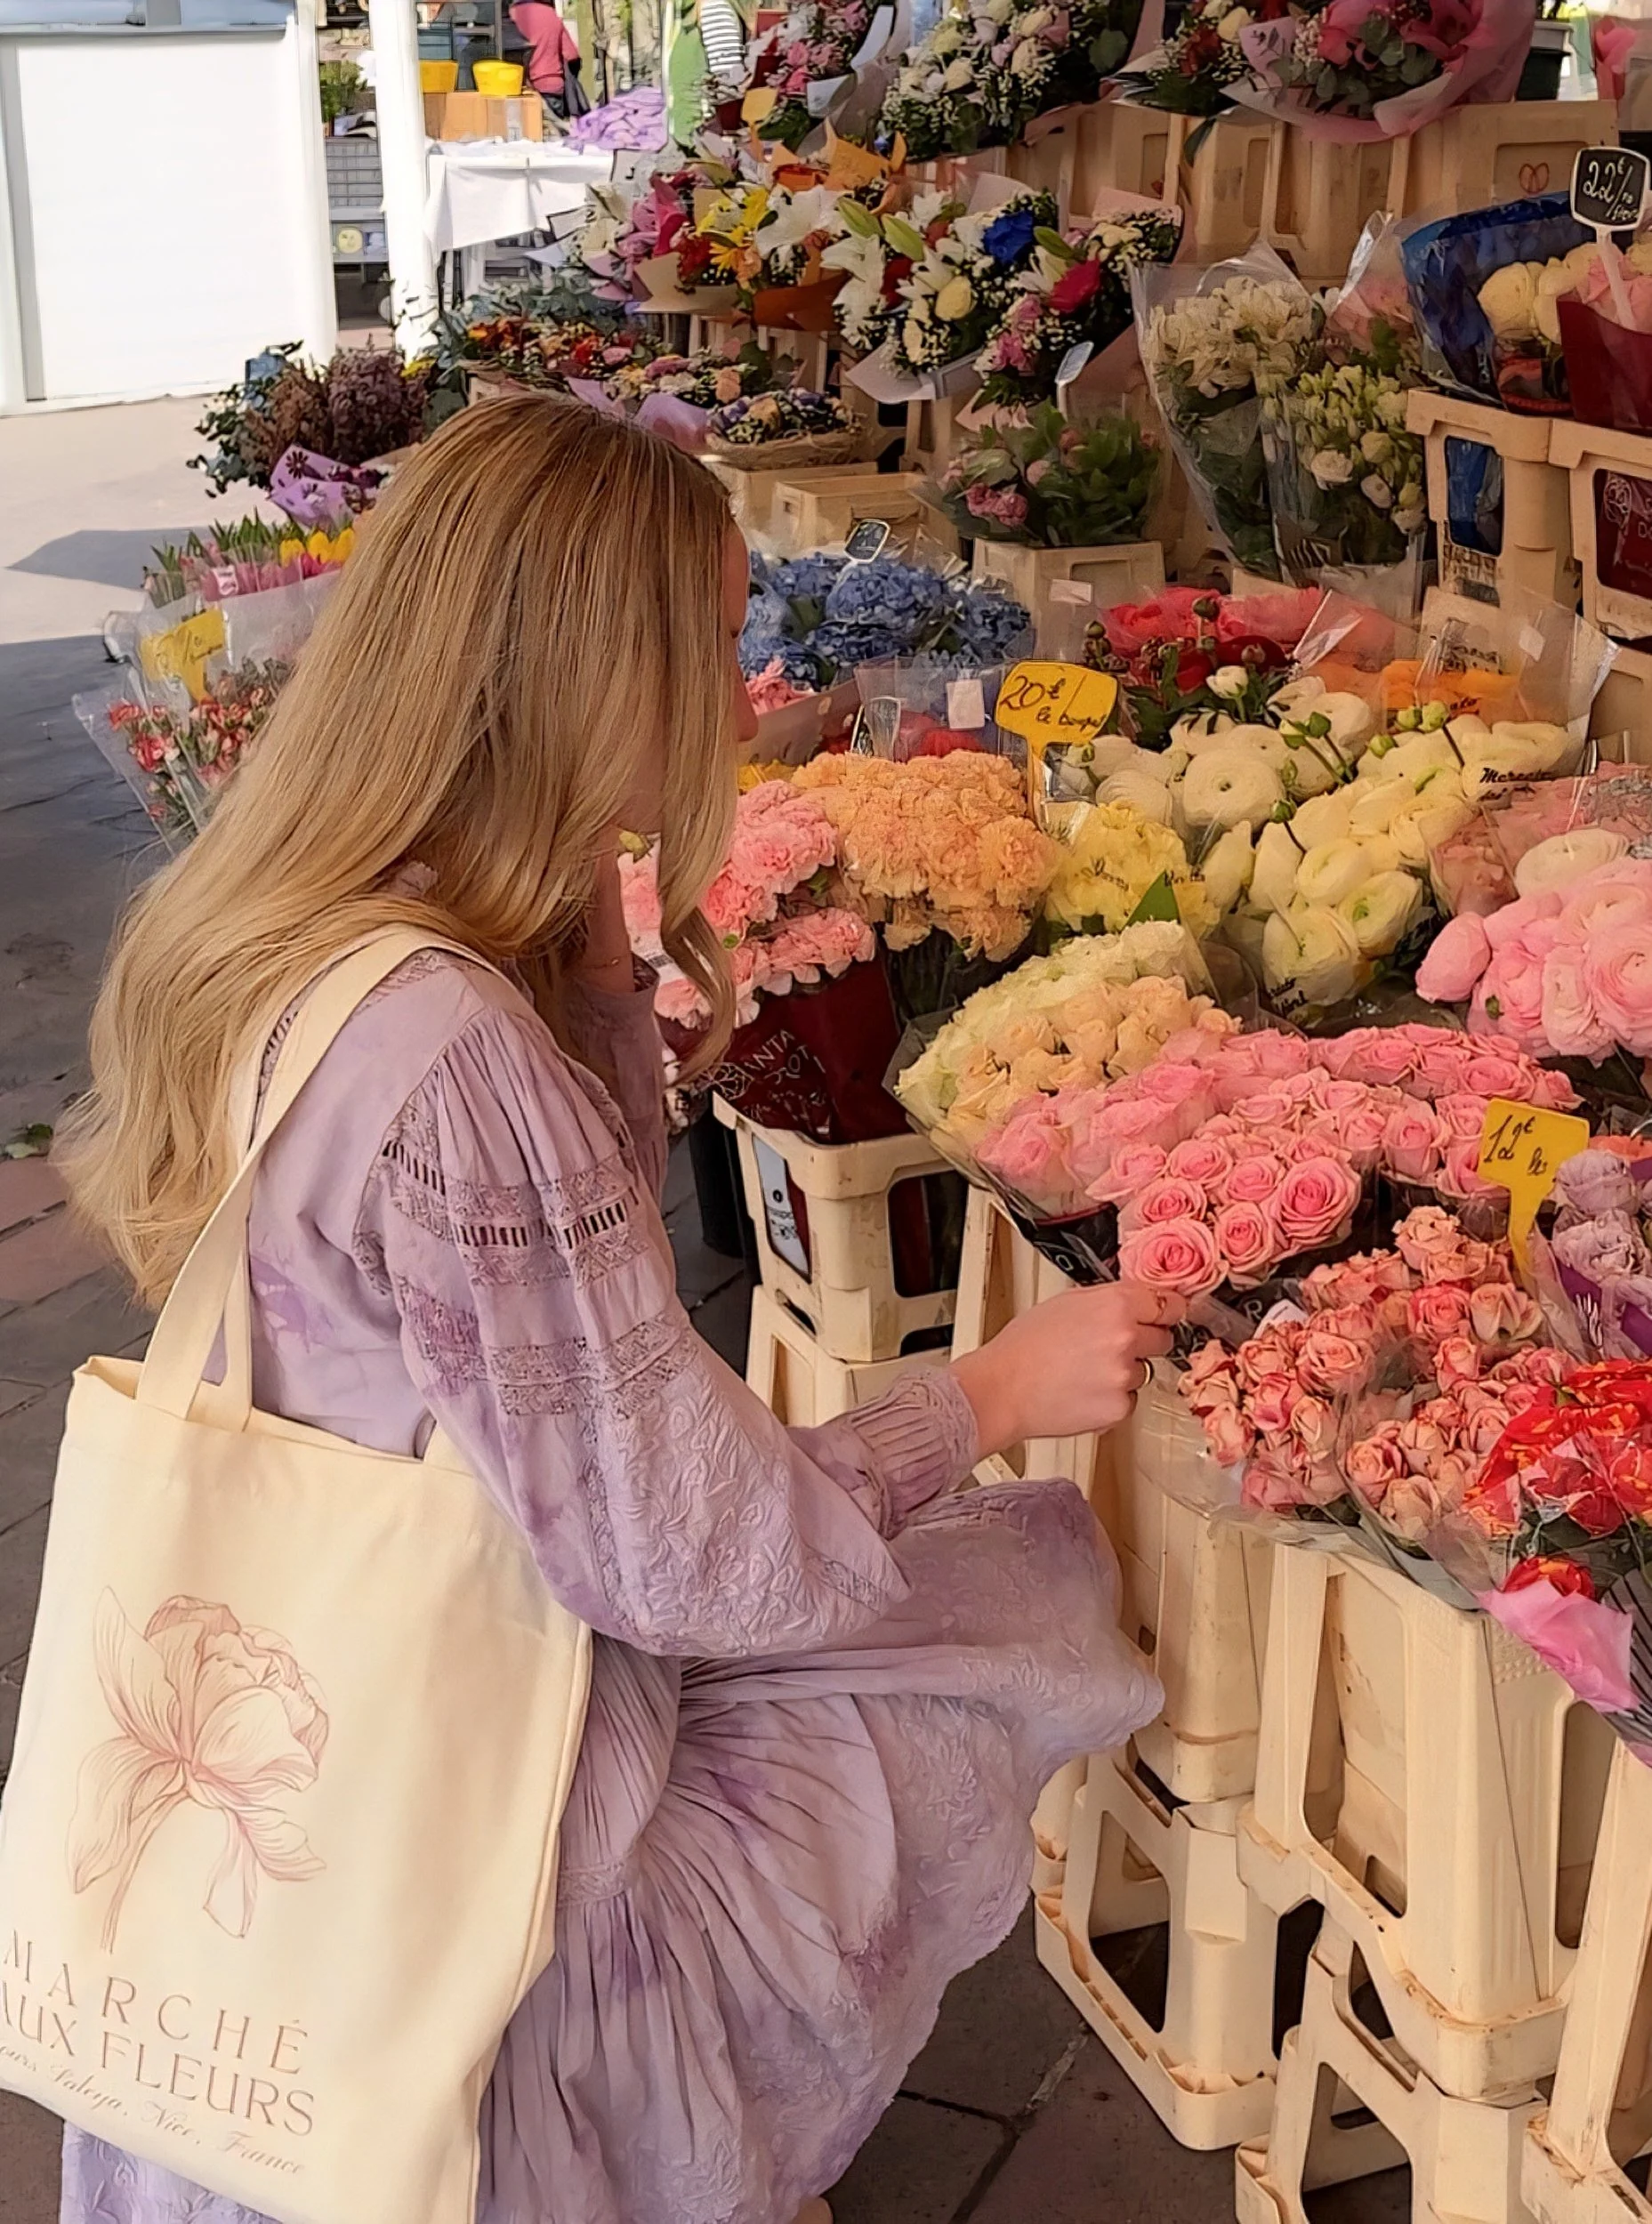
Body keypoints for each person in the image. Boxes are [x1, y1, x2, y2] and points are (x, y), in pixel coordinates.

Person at [57, 398, 1173, 2224]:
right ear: (590, 668)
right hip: (480, 1790)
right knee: (1008, 1592)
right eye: (706, 646)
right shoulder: (457, 1054)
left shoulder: (316, 936)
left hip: (322, 1696)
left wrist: (587, 932)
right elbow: (684, 1550)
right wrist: (979, 1394)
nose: (740, 695)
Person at [508, 0, 582, 111]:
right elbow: (572, 55)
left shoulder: (511, 14)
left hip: (518, 88)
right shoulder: (551, 14)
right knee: (552, 127)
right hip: (551, 87)